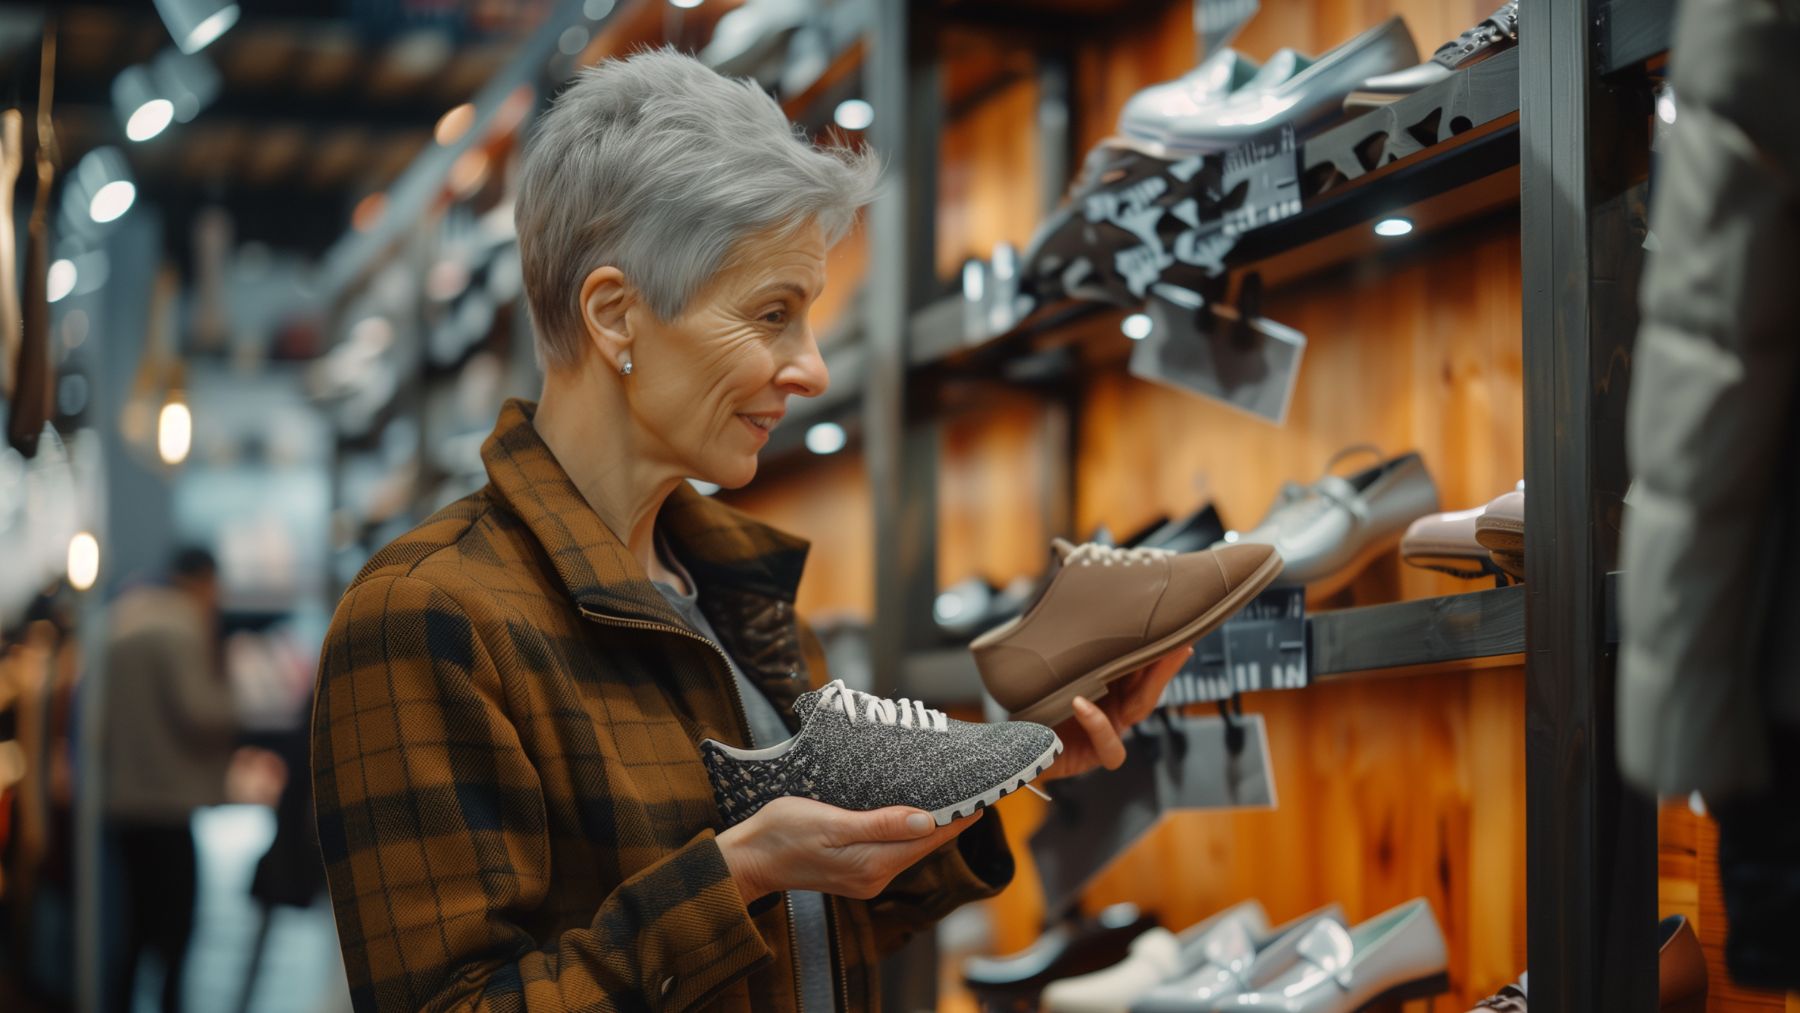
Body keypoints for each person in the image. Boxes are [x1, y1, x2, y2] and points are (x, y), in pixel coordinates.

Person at [311, 49, 1187, 1012]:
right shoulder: (425, 615)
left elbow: (814, 931)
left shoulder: (733, 587)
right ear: (616, 316)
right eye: (772, 314)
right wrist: (736, 875)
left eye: (809, 318)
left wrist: (1020, 759)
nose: (810, 368)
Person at [101, 548, 238, 1013]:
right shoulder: (180, 626)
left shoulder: (124, 618)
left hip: (122, 800)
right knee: (177, 937)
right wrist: (241, 699)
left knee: (135, 932)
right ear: (202, 581)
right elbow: (199, 711)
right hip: (164, 805)